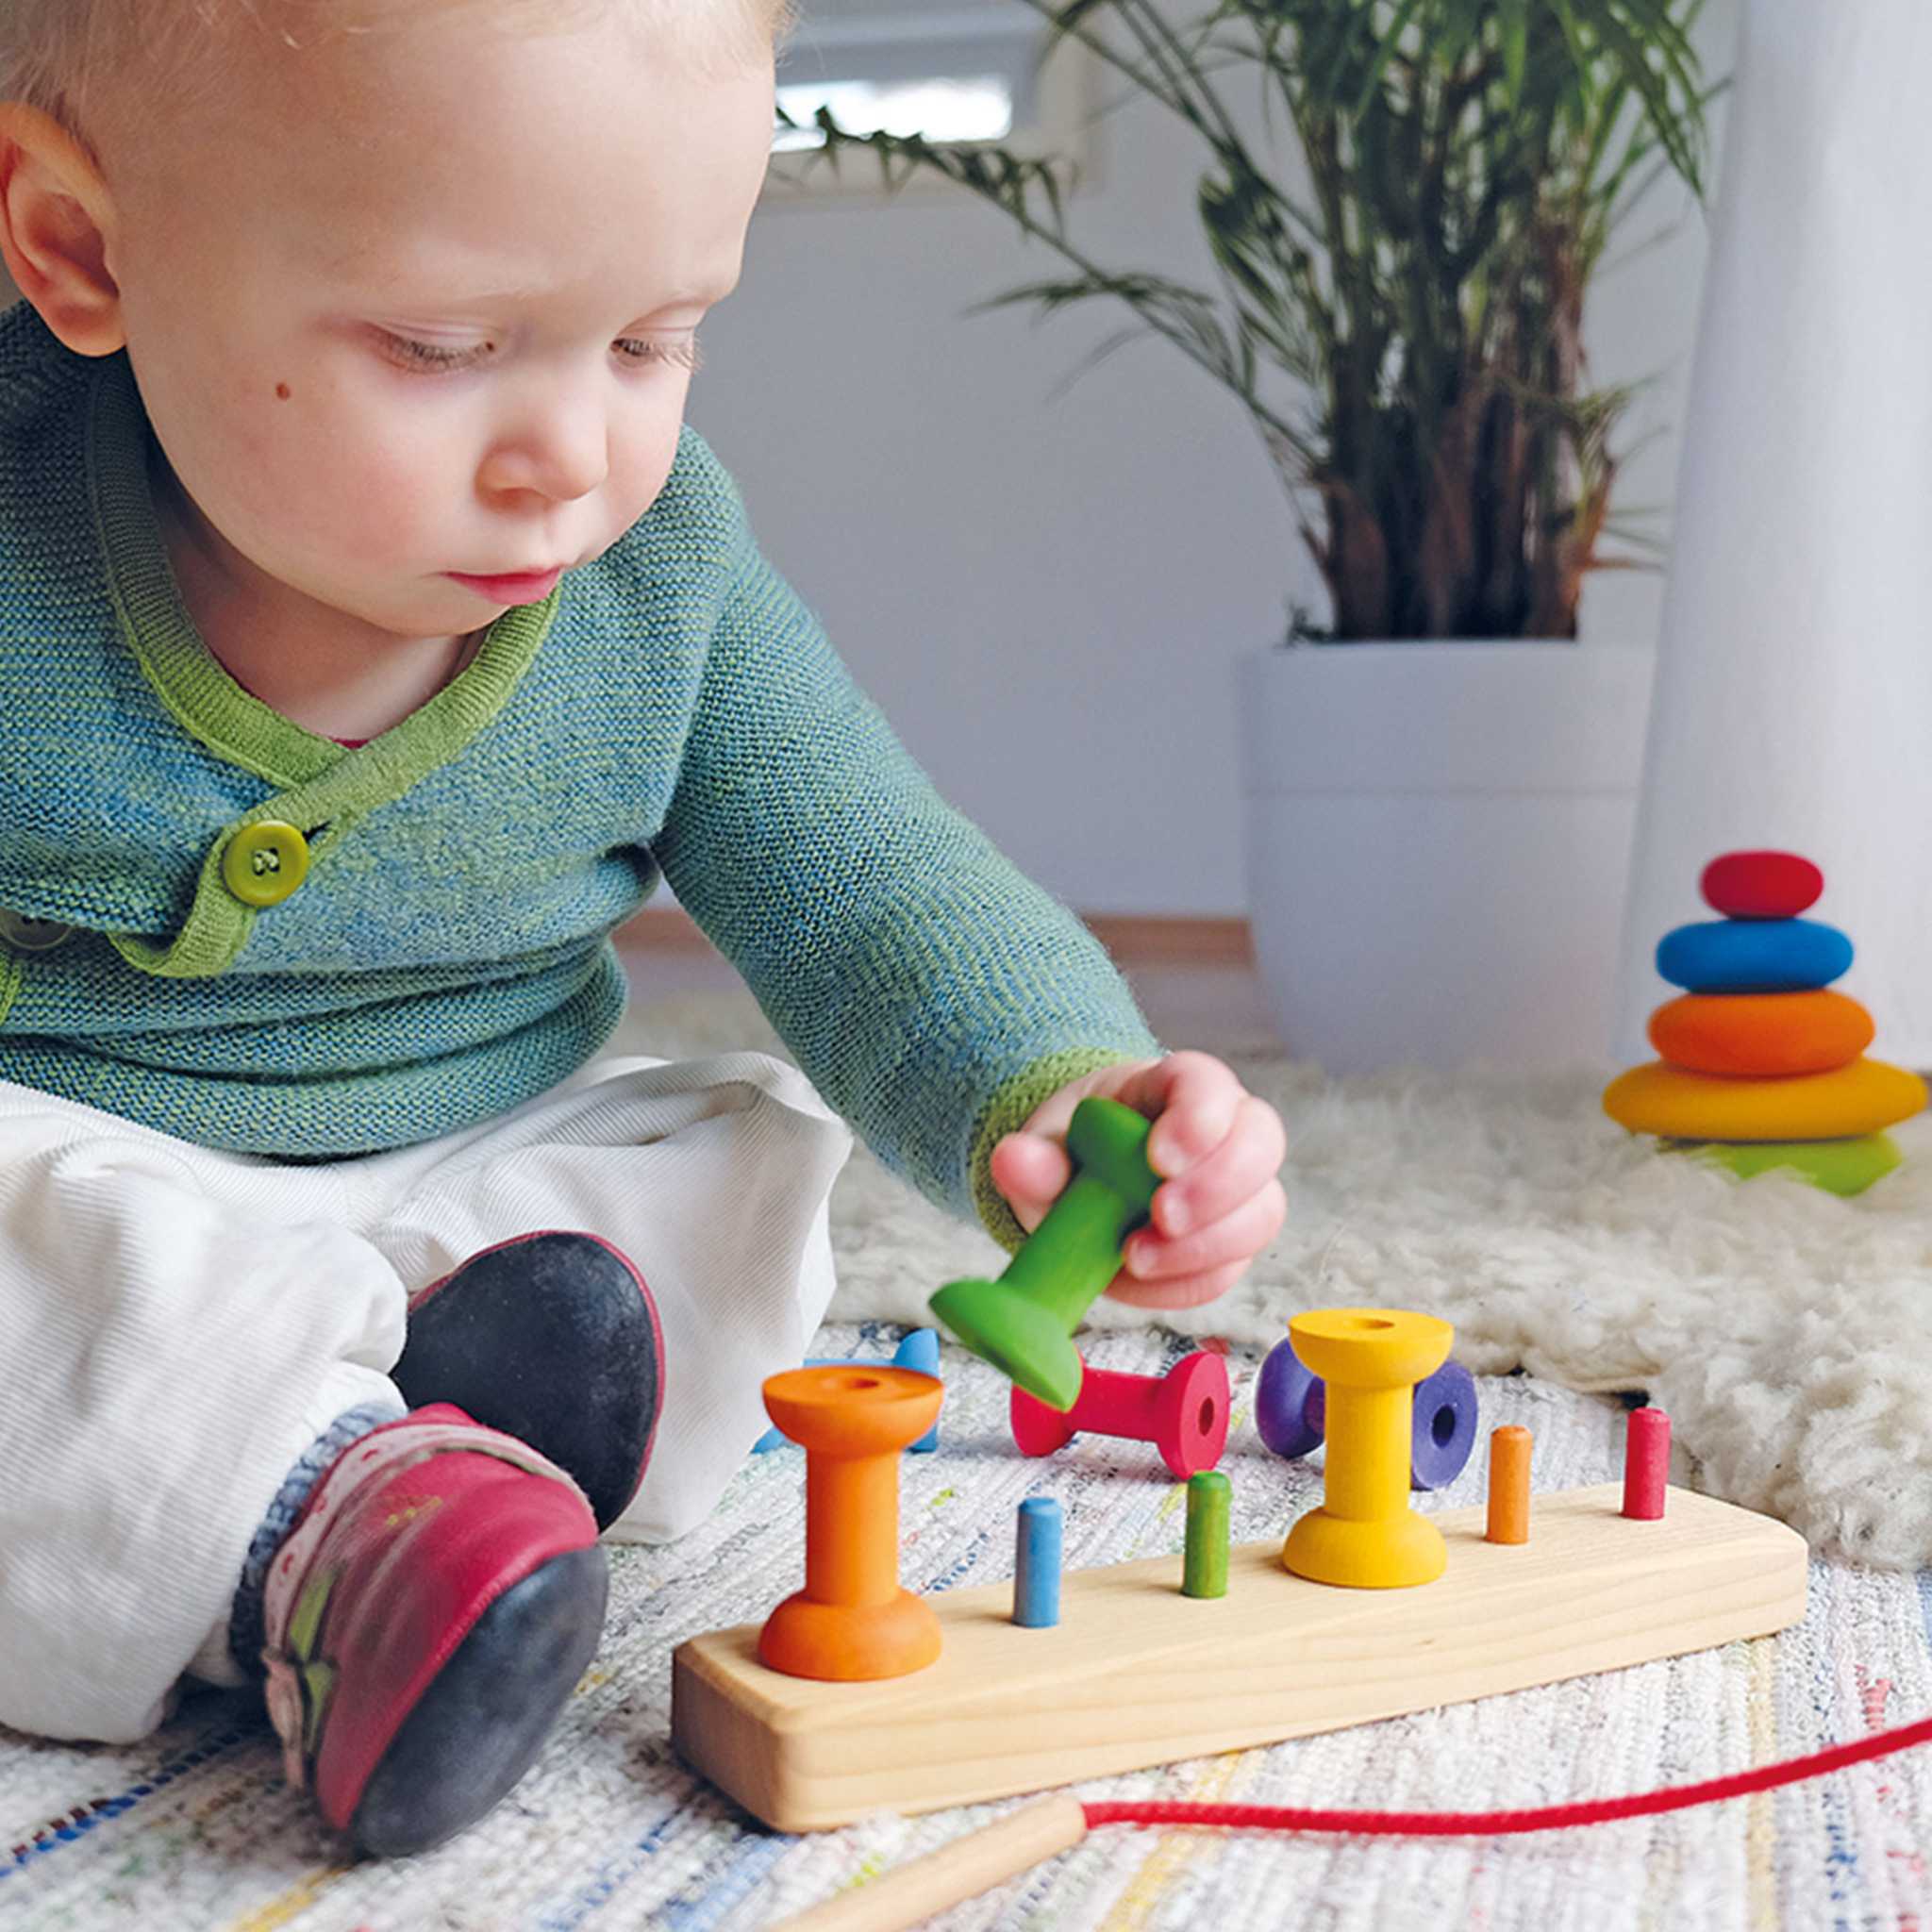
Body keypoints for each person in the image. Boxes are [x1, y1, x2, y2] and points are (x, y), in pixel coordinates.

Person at [0, 0, 1289, 1856]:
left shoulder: (662, 577)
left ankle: (449, 1394)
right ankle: (320, 1528)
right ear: (81, 251)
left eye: (654, 338)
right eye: (441, 348)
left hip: (467, 1168)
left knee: (731, 1153)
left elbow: (870, 877)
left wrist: (1062, 1087)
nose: (568, 450)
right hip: (84, 1171)